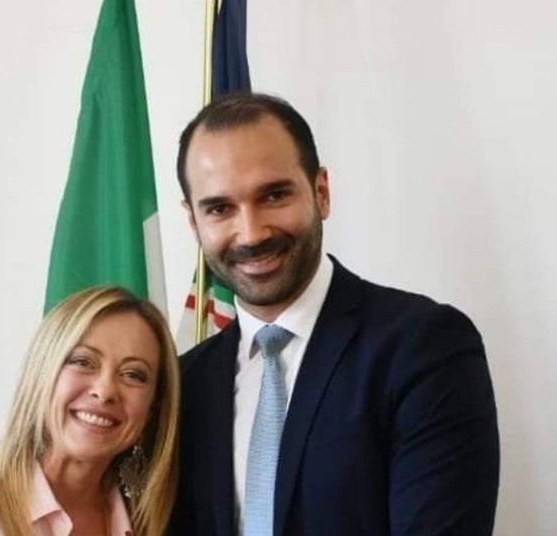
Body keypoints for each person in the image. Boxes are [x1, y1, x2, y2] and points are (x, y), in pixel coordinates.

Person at [171, 93, 499, 535]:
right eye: (219, 208)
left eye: (274, 195)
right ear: (193, 222)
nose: (250, 233)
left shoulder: (424, 346)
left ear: (321, 193)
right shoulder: (184, 384)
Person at [0, 286, 180, 536]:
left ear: (153, 407)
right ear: (42, 372)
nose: (105, 391)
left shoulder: (148, 520)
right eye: (83, 362)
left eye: (133, 375)